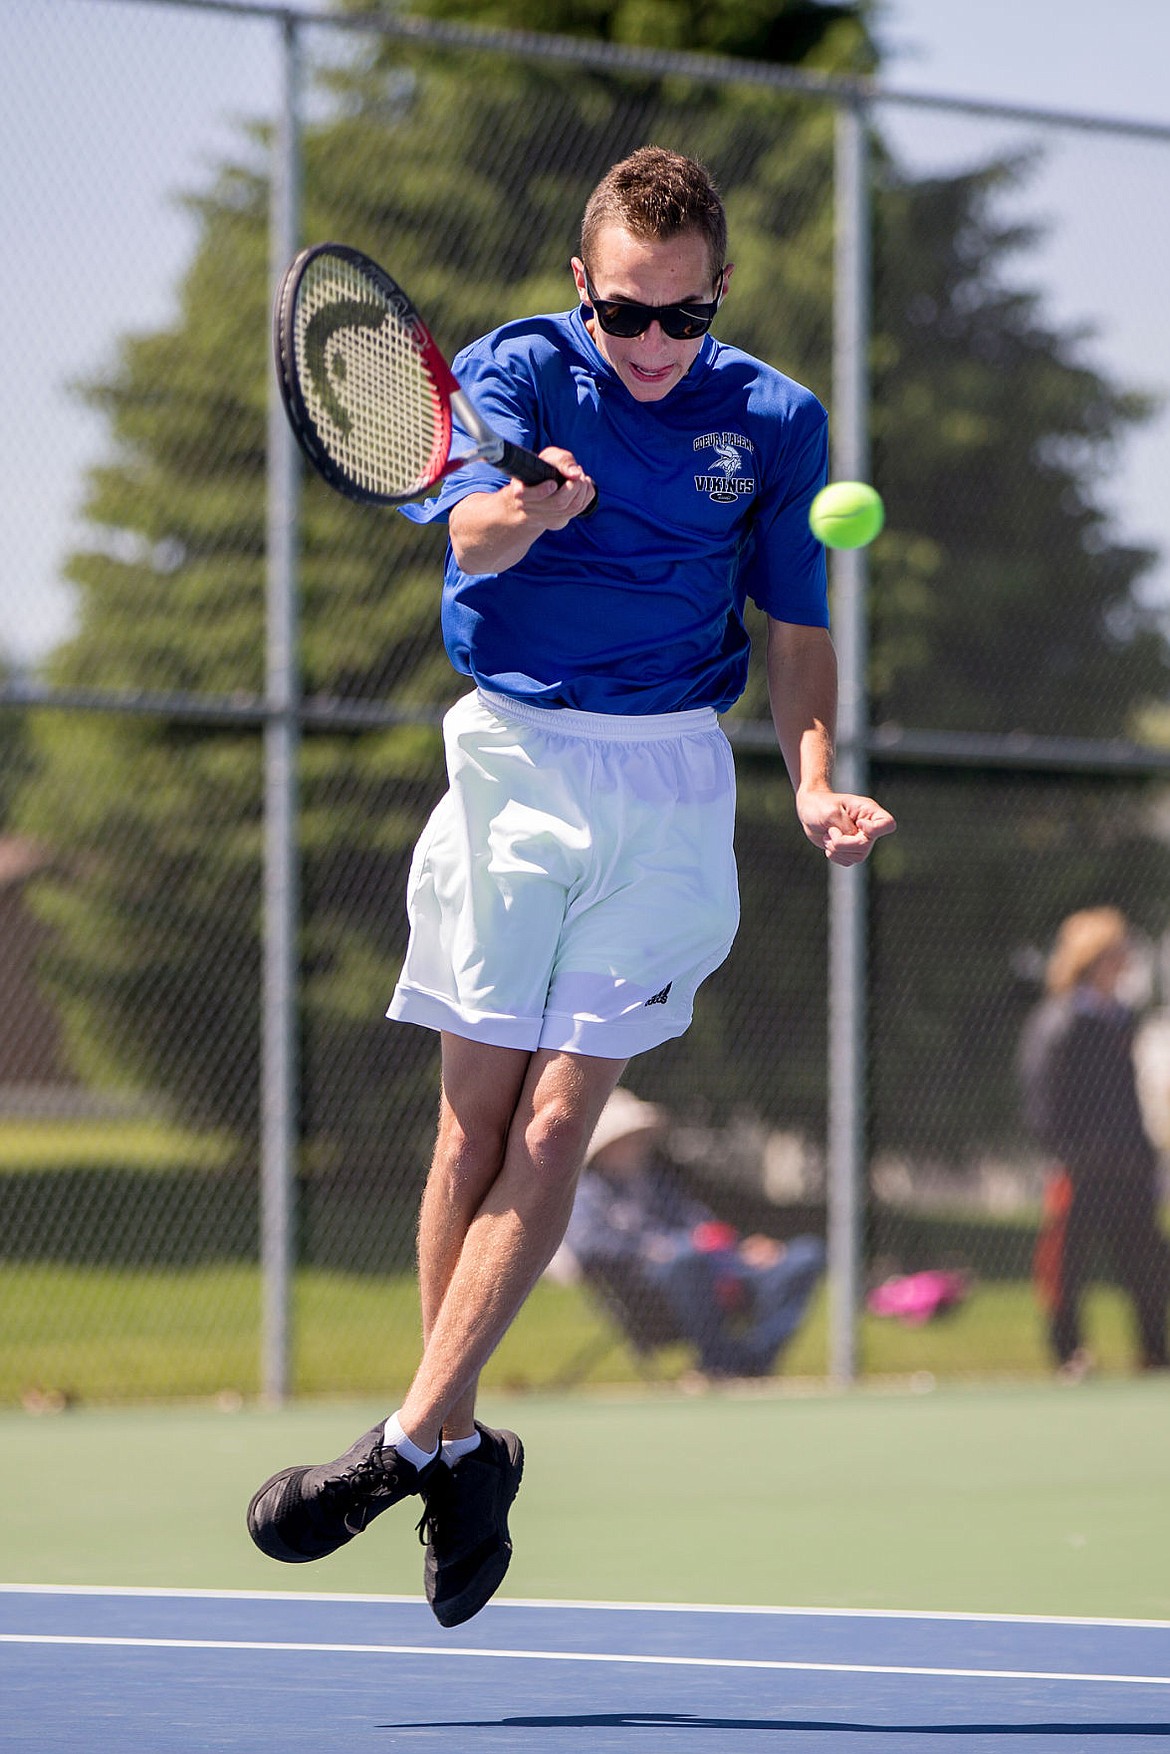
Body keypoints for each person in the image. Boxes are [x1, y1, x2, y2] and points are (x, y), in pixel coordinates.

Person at [247, 146, 895, 1626]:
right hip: (510, 764)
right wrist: (527, 504)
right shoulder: (516, 375)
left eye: (683, 317)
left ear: (718, 294)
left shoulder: (775, 421)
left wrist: (805, 780)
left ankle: (410, 1437)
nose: (653, 345)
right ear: (578, 290)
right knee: (467, 1126)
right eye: (625, 314)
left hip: (666, 782)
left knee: (557, 1116)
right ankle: (464, 1446)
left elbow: (793, 630)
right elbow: (463, 524)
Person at [562, 1086, 826, 1377]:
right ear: (605, 1147)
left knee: (805, 1255)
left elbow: (701, 1227)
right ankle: (720, 1363)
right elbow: (588, 1245)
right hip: (652, 1293)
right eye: (626, 1138)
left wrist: (741, 1249)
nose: (636, 1145)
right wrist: (654, 1248)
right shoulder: (586, 1194)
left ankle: (751, 1362)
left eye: (637, 1137)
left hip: (716, 1271)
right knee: (685, 1258)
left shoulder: (659, 1183)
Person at [1019, 906, 1170, 1379]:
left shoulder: (1119, 1020)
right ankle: (1069, 1353)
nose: (1126, 959)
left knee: (1146, 1260)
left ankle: (1153, 1350)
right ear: (1095, 957)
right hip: (1079, 1168)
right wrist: (1067, 1154)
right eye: (1117, 951)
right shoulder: (1059, 1022)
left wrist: (1145, 1158)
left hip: (1127, 1166)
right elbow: (1041, 1099)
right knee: (1066, 1262)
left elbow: (1127, 1099)